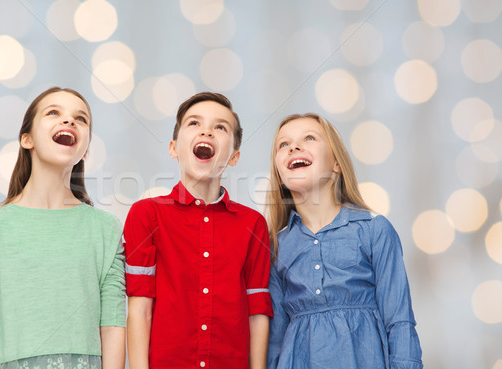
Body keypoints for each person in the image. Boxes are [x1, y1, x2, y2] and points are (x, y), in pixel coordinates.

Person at [0, 87, 126, 369]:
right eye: (54, 113)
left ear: (85, 150)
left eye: (81, 118)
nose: (69, 121)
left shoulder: (105, 229)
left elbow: (112, 329)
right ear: (27, 139)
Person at [124, 92, 273, 369]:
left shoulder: (253, 224)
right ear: (173, 147)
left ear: (234, 156)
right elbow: (139, 308)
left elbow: (257, 311)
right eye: (194, 123)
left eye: (220, 127)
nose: (207, 130)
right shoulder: (146, 215)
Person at [265, 113, 423, 369]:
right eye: (283, 144)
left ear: (336, 163)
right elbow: (275, 341)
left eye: (309, 138)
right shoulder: (275, 247)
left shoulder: (374, 230)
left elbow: (399, 321)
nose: (293, 146)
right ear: (279, 174)